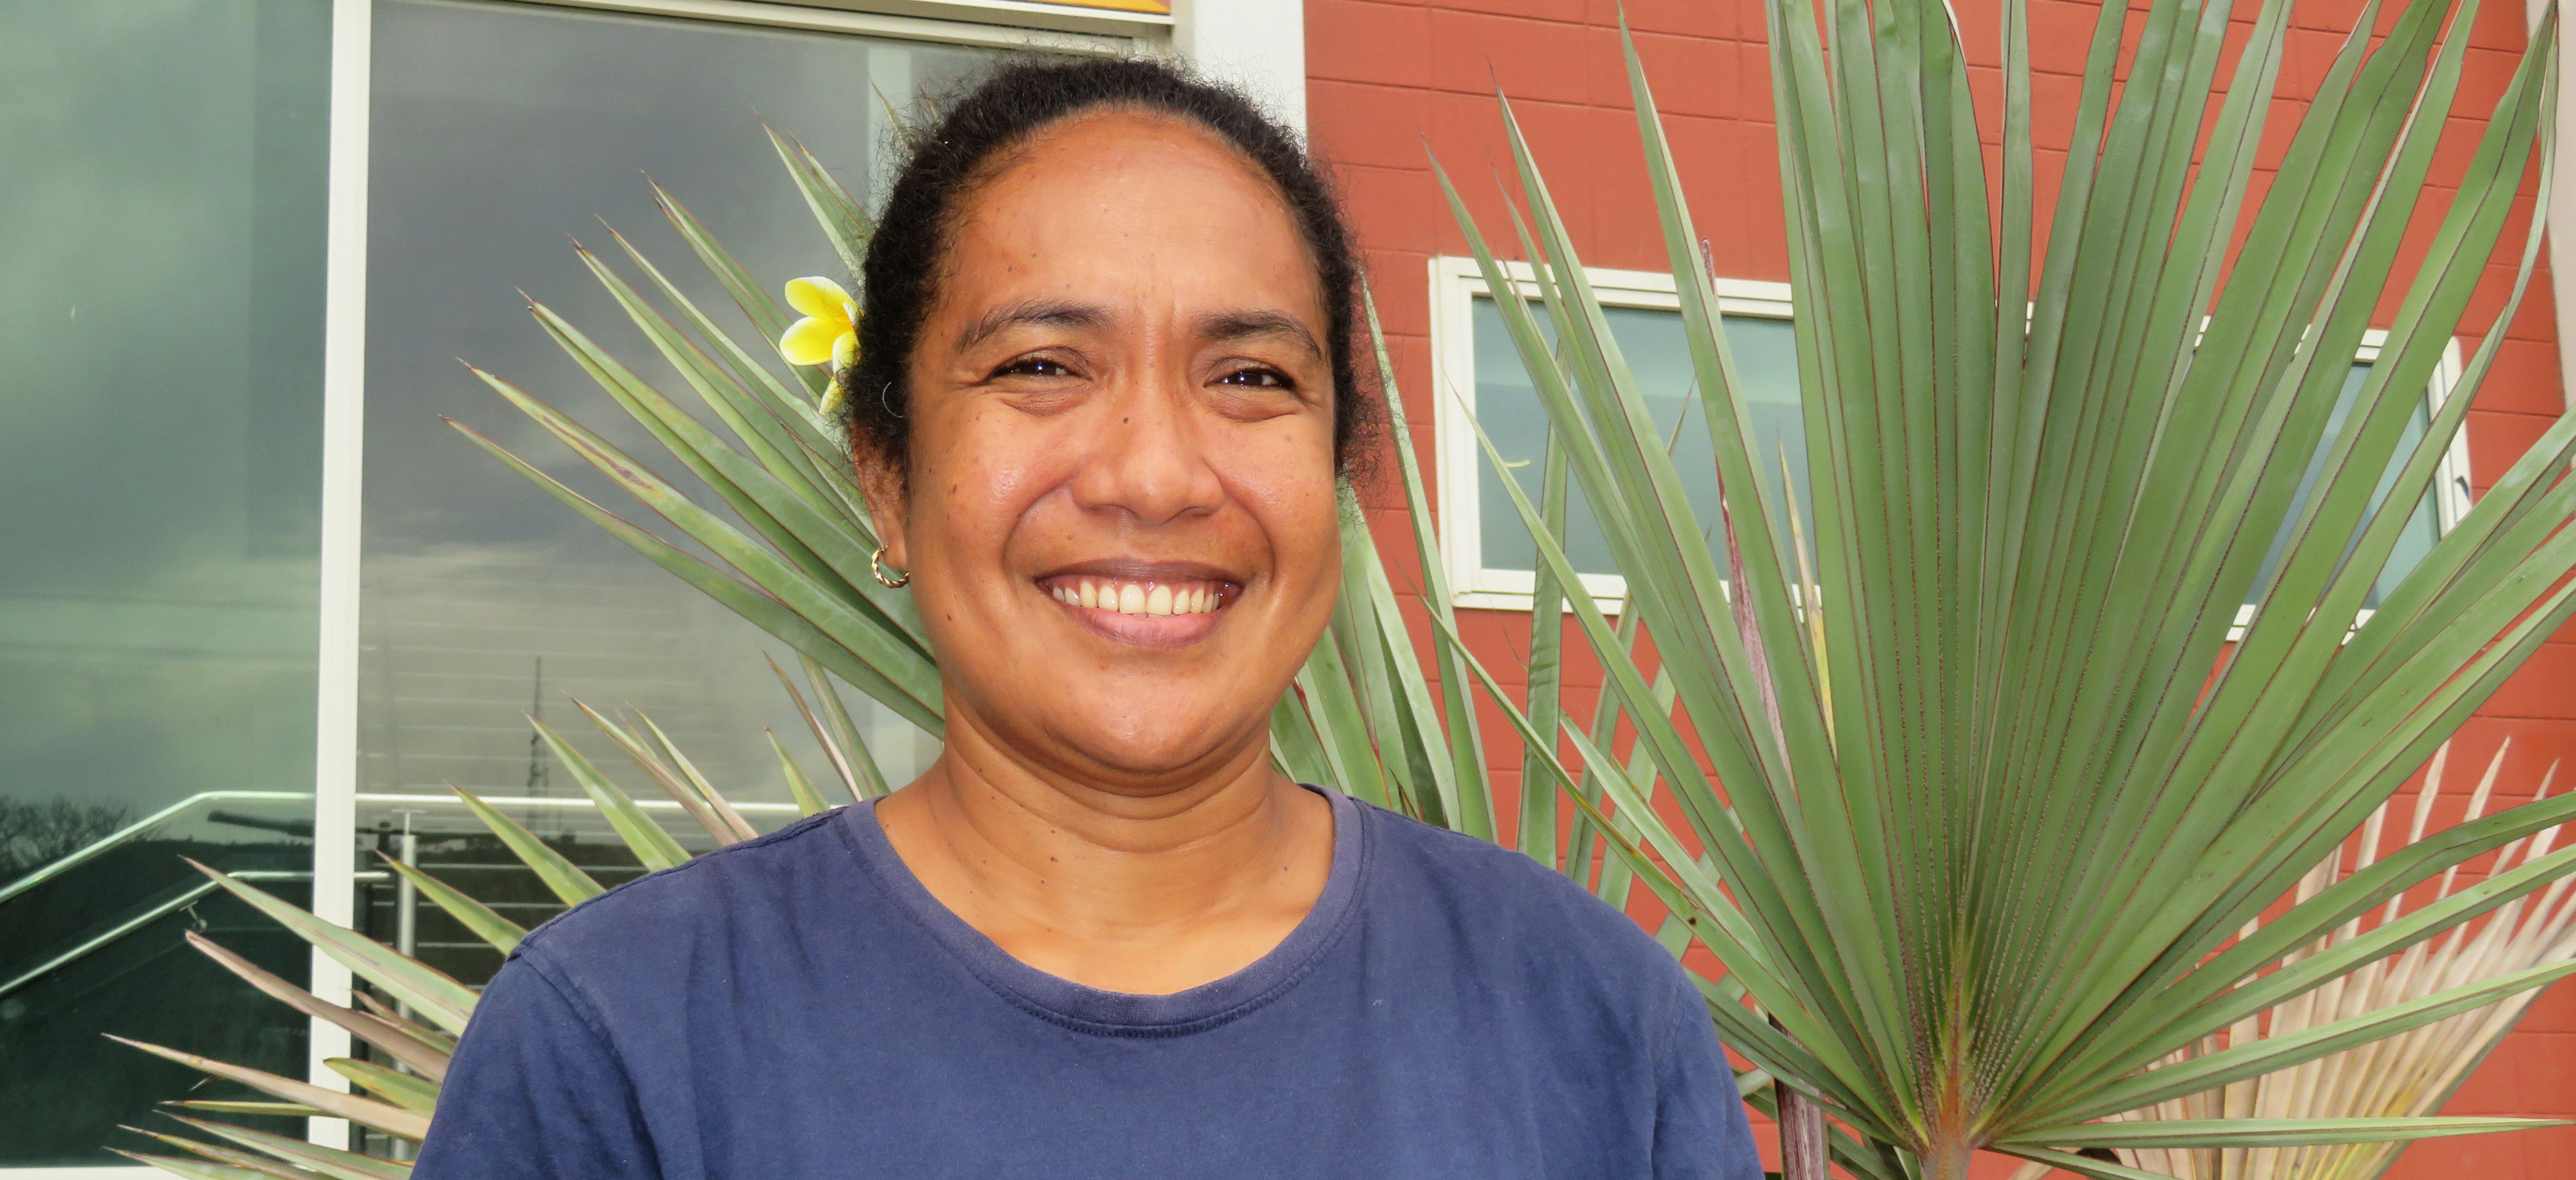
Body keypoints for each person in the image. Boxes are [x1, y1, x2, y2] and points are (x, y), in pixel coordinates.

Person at [412, 56, 1763, 1180]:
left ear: (1344, 476)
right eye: (1044, 366)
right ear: (887, 478)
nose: (1157, 473)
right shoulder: (626, 1041)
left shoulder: (1594, 1026)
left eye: (1249, 375)